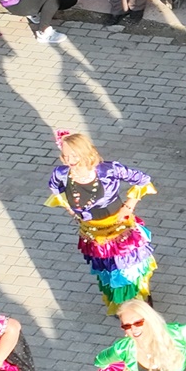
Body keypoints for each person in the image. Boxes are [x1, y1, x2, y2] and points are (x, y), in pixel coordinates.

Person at [46, 131, 156, 312]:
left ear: (85, 151)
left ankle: (138, 303)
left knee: (126, 269)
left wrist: (129, 206)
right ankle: (120, 305)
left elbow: (143, 181)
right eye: (65, 156)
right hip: (92, 232)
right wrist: (71, 210)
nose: (70, 160)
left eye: (74, 155)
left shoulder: (108, 170)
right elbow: (55, 190)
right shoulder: (61, 174)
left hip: (119, 230)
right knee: (107, 271)